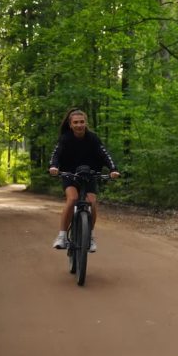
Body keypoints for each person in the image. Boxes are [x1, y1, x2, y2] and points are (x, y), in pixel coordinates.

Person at [49, 107, 120, 252]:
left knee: (92, 202)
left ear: (85, 123)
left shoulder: (93, 138)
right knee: (73, 198)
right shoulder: (65, 138)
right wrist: (53, 167)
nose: (79, 125)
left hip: (89, 175)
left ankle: (90, 237)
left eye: (82, 122)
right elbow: (56, 154)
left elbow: (105, 154)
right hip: (70, 174)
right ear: (71, 124)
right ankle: (62, 236)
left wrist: (113, 169)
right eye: (76, 122)